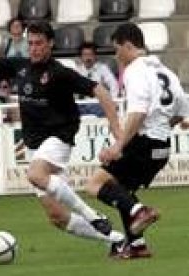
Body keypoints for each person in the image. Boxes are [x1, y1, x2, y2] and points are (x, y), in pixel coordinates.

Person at [0, 21, 125, 247]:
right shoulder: (21, 66)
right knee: (57, 217)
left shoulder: (60, 73)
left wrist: (116, 129)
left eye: (39, 43)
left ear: (50, 44)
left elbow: (100, 91)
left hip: (58, 138)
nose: (34, 48)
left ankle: (92, 215)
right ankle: (115, 240)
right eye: (31, 44)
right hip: (34, 145)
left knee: (35, 174)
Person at [84, 23, 189, 259]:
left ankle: (140, 211)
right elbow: (182, 112)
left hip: (144, 142)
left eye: (117, 49)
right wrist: (164, 127)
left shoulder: (134, 70)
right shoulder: (167, 72)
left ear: (128, 45)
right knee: (123, 190)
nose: (116, 55)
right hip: (162, 148)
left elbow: (139, 111)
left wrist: (118, 146)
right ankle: (137, 246)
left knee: (95, 185)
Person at [75, 42, 119, 117]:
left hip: (98, 104)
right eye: (85, 55)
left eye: (90, 55)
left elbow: (114, 85)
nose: (88, 58)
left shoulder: (103, 68)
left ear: (95, 56)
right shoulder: (77, 71)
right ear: (81, 57)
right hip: (82, 105)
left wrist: (112, 101)